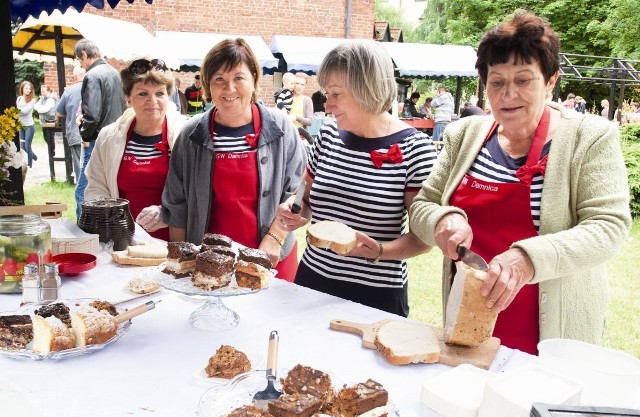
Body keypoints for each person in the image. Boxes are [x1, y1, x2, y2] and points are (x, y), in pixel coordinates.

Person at [408, 11, 632, 355]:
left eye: (524, 80)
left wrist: (525, 259)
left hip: (552, 332)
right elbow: (423, 205)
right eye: (497, 82)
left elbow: (608, 227)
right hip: (469, 318)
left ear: (551, 81)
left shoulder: (590, 137)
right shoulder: (464, 135)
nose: (508, 94)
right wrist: (442, 220)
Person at [277, 40, 438, 317]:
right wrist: (295, 211)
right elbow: (304, 198)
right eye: (327, 94)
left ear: (369, 89)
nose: (327, 105)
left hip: (376, 295)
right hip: (312, 280)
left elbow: (424, 239)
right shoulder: (327, 135)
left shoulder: (416, 149)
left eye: (336, 94)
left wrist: (379, 251)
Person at [161, 38, 306, 281]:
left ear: (254, 80)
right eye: (219, 79)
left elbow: (297, 193)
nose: (229, 88)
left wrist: (275, 238)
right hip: (210, 265)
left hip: (271, 254)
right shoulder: (191, 135)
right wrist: (183, 265)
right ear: (208, 85)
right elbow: (177, 205)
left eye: (239, 78)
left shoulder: (280, 128)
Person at [84, 58, 186, 241]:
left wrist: (167, 213)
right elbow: (96, 187)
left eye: (160, 93)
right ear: (128, 97)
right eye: (142, 94)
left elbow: (198, 192)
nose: (152, 101)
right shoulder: (109, 137)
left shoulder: (184, 136)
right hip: (123, 242)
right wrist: (112, 217)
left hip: (175, 245)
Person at [74, 39, 127, 219]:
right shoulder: (115, 73)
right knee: (108, 191)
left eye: (80, 61)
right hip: (118, 137)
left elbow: (93, 114)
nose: (81, 65)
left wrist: (84, 133)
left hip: (98, 139)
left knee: (84, 192)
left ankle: (85, 232)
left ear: (84, 55)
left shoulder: (92, 75)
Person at [56, 66, 86, 182]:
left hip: (75, 133)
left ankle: (82, 198)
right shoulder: (94, 88)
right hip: (94, 133)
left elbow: (59, 112)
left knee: (80, 168)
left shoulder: (69, 91)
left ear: (75, 77)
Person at [34, 84, 59, 180]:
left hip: (51, 121)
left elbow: (45, 109)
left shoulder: (50, 99)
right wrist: (40, 108)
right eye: (41, 90)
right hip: (45, 122)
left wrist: (40, 109)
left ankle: (52, 153)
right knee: (46, 138)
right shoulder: (42, 99)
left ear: (48, 90)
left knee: (50, 137)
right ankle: (51, 151)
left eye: (44, 90)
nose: (42, 92)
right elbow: (35, 106)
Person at [16, 80, 37, 168]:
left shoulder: (32, 100)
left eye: (30, 89)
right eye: (26, 88)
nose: (28, 90)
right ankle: (34, 156)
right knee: (23, 146)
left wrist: (16, 109)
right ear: (22, 89)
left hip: (29, 126)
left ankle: (30, 165)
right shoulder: (19, 98)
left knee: (27, 145)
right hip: (21, 125)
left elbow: (24, 111)